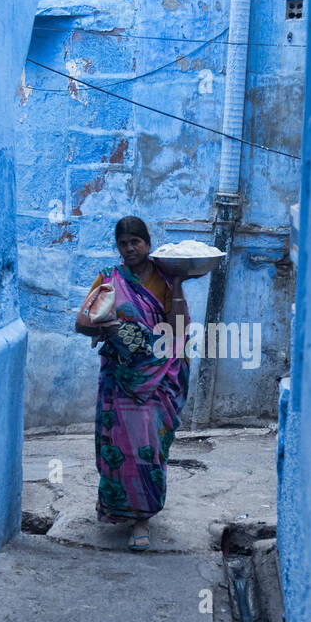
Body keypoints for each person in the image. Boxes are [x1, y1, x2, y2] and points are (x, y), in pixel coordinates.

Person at [75, 216, 190, 550]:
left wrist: (180, 286)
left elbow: (178, 329)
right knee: (117, 447)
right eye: (123, 243)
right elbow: (82, 323)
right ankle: (118, 509)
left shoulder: (166, 280)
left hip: (156, 378)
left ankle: (143, 519)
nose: (129, 249)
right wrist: (107, 327)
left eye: (135, 242)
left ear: (148, 243)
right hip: (118, 378)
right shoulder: (109, 279)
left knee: (149, 447)